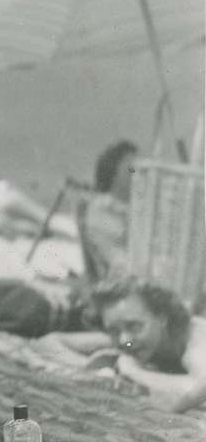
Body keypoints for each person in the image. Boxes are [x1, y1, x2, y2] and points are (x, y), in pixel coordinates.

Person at [37, 276, 206, 413]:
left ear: (162, 317)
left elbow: (192, 391)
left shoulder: (196, 340)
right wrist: (99, 367)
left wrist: (133, 371)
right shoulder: (130, 338)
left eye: (134, 326)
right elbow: (49, 342)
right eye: (114, 330)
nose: (124, 340)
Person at [79, 140, 138, 282]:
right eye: (131, 169)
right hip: (122, 288)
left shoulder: (133, 209)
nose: (138, 175)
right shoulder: (102, 209)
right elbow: (117, 260)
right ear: (114, 172)